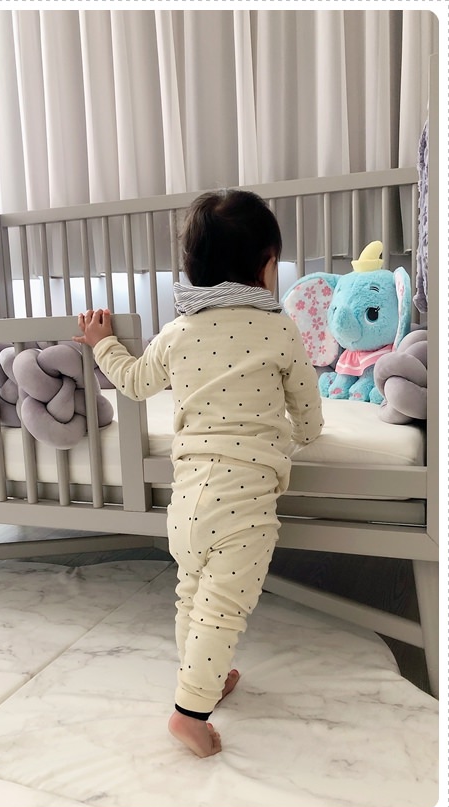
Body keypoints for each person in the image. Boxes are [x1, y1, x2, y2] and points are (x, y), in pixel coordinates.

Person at [75, 189, 324, 758]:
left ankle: (206, 677)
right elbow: (309, 420)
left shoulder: (179, 331)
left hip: (186, 501)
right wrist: (301, 432)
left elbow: (134, 381)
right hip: (245, 506)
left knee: (193, 594)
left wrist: (102, 343)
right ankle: (190, 713)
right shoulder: (279, 329)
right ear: (267, 265)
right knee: (224, 610)